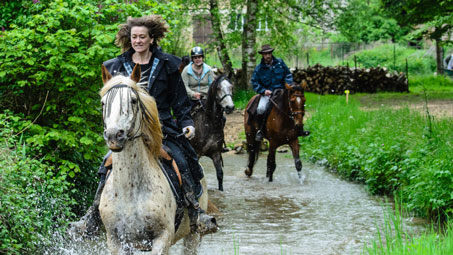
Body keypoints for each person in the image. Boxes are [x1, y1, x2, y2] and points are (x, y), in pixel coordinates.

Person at [70, 15, 216, 236]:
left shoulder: (168, 64)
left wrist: (186, 123)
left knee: (185, 160)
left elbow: (179, 100)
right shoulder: (116, 66)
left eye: (142, 37)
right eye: (134, 37)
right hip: (128, 131)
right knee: (106, 164)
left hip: (163, 128)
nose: (137, 41)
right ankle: (92, 216)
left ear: (151, 39)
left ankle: (196, 212)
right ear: (129, 39)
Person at [250, 44, 294, 142]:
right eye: (265, 54)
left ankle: (297, 129)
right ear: (262, 55)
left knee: (295, 105)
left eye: (269, 53)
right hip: (268, 94)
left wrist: (288, 84)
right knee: (261, 109)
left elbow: (288, 74)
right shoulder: (259, 68)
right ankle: (260, 130)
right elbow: (254, 82)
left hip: (282, 92)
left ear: (271, 53)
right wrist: (263, 90)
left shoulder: (280, 63)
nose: (268, 56)